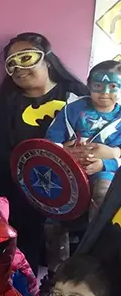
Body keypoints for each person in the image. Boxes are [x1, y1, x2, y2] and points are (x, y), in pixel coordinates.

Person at [0, 32, 88, 274]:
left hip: (74, 200)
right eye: (11, 63)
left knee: (69, 273)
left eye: (25, 58)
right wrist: (44, 161)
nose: (18, 67)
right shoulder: (6, 106)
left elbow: (102, 137)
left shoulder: (78, 97)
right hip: (22, 200)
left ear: (47, 59)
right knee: (22, 271)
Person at [47, 60, 121, 213]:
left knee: (103, 196)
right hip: (67, 166)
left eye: (113, 86)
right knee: (54, 195)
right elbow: (52, 139)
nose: (105, 92)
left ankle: (96, 229)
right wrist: (63, 152)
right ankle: (56, 226)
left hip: (105, 171)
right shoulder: (72, 109)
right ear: (89, 85)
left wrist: (104, 164)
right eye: (98, 86)